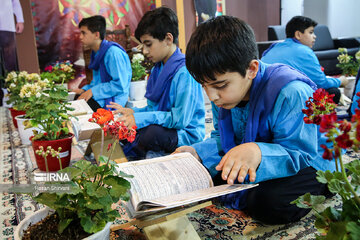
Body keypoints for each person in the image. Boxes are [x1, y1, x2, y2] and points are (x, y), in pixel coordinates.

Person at [174, 15, 335, 224]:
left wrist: (257, 151)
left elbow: (301, 151)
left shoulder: (290, 91)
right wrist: (197, 152)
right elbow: (223, 138)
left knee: (266, 201)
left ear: (252, 69)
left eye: (220, 86)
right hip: (265, 154)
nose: (211, 96)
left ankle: (325, 187)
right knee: (204, 175)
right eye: (204, 86)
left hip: (311, 161)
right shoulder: (224, 96)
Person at [107, 7, 205, 159]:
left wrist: (139, 119)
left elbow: (179, 120)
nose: (145, 51)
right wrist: (133, 113)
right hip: (165, 128)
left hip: (184, 133)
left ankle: (132, 155)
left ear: (168, 39)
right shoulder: (157, 69)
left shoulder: (185, 72)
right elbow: (153, 109)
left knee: (150, 133)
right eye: (143, 45)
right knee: (128, 127)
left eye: (148, 44)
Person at [261, 16, 348, 104]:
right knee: (333, 92)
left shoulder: (272, 48)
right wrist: (340, 81)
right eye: (311, 32)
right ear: (298, 34)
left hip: (263, 97)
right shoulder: (304, 50)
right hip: (285, 99)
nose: (315, 36)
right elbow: (321, 83)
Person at [71, 15, 131, 111]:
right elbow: (97, 83)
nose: (80, 37)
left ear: (96, 35)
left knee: (77, 107)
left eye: (84, 33)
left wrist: (92, 91)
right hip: (101, 96)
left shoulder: (113, 53)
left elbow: (120, 85)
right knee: (73, 99)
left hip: (114, 100)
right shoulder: (96, 53)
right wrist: (84, 90)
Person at [0, 0, 24, 106]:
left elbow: (15, 2)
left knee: (10, 61)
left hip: (6, 24)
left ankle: (12, 93)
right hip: (6, 25)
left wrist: (20, 20)